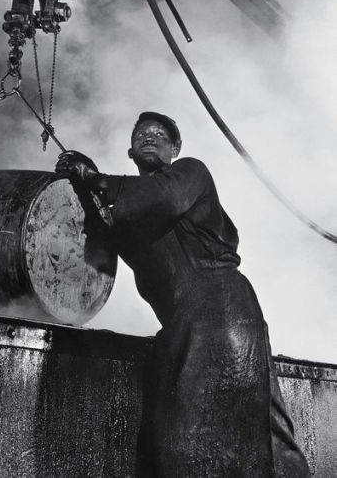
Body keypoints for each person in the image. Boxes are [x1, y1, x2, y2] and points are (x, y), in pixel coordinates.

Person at [55, 112, 311, 478]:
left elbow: (163, 199)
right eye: (142, 134)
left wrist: (98, 180)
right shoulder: (127, 207)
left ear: (175, 149)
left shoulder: (189, 174)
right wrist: (83, 187)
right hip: (183, 321)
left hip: (219, 309)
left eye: (160, 135)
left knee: (190, 438)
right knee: (254, 429)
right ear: (130, 152)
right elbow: (96, 237)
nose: (150, 137)